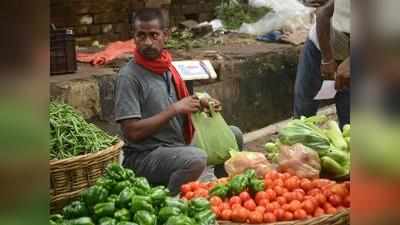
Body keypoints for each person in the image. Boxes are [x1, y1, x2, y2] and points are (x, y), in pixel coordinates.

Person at [114, 8, 242, 195]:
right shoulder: (129, 77)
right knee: (195, 158)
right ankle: (168, 203)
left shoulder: (167, 67)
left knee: (234, 135)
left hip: (176, 145)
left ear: (165, 35)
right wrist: (174, 109)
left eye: (154, 35)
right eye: (141, 35)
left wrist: (201, 101)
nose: (147, 42)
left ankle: (226, 193)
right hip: (144, 156)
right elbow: (132, 132)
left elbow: (180, 102)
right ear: (133, 37)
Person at [294, 0, 350, 128]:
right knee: (303, 111)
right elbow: (323, 14)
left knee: (350, 121)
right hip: (319, 47)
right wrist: (327, 59)